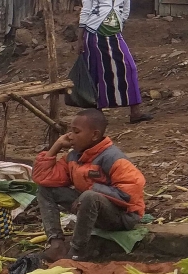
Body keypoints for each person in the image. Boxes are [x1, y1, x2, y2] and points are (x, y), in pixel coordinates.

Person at [33, 109, 146, 261]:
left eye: (76, 132)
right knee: (45, 189)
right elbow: (43, 178)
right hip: (89, 208)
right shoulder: (74, 156)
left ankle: (78, 251)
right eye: (70, 131)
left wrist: (92, 192)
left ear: (94, 135)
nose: (70, 136)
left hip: (121, 217)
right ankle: (57, 244)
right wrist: (57, 145)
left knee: (89, 196)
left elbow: (129, 194)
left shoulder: (112, 158)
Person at [78, 0, 152, 123]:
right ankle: (97, 116)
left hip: (114, 35)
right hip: (94, 35)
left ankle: (135, 112)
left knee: (129, 67)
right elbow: (86, 10)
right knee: (97, 73)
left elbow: (125, 10)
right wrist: (80, 38)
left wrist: (118, 22)